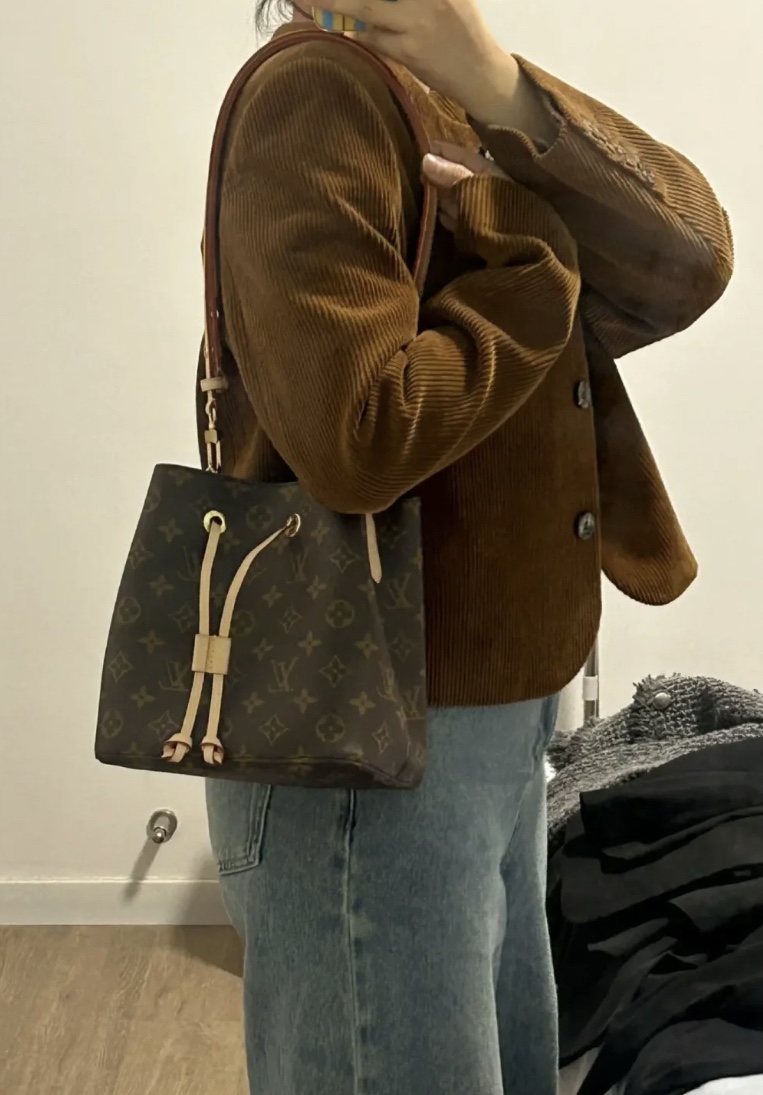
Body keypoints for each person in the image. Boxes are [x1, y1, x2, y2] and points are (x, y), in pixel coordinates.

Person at [203, 2, 733, 1093]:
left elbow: (689, 260)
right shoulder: (318, 95)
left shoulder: (443, 100)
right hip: (377, 723)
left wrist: (499, 86)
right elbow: (359, 432)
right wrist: (534, 266)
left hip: (473, 703)